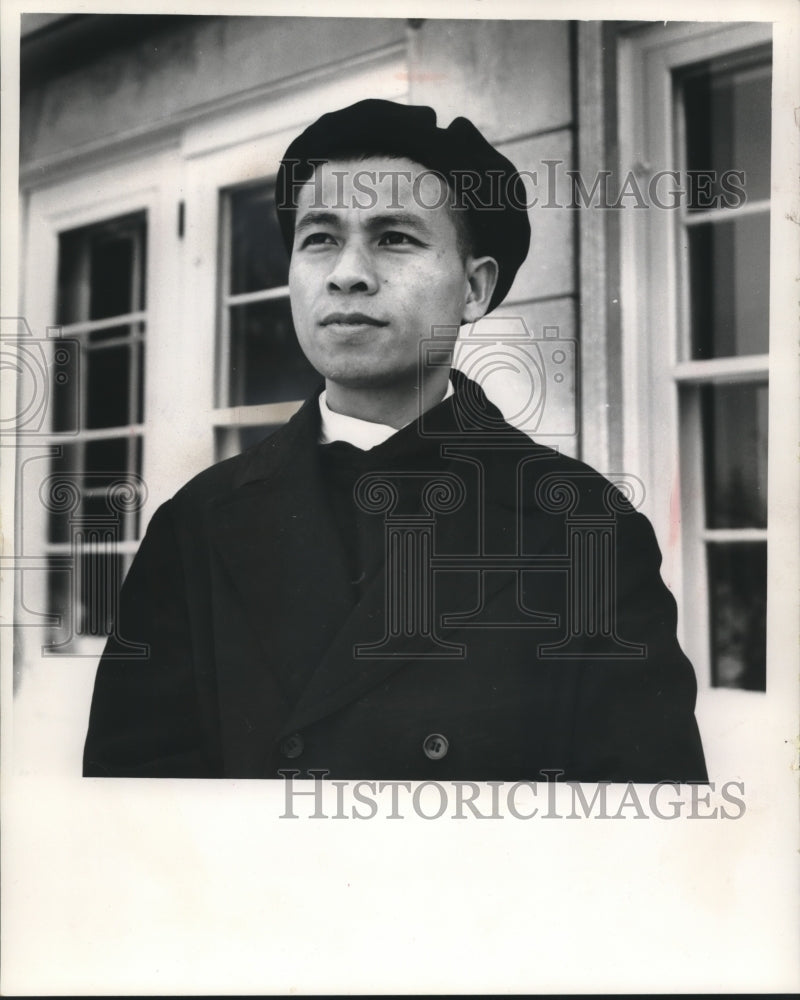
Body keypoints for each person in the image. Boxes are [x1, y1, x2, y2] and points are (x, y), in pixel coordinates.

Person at [83, 99, 707, 782]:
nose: (348, 272)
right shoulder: (194, 527)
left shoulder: (588, 530)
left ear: (474, 288)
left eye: (394, 238)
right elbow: (133, 829)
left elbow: (649, 836)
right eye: (320, 237)